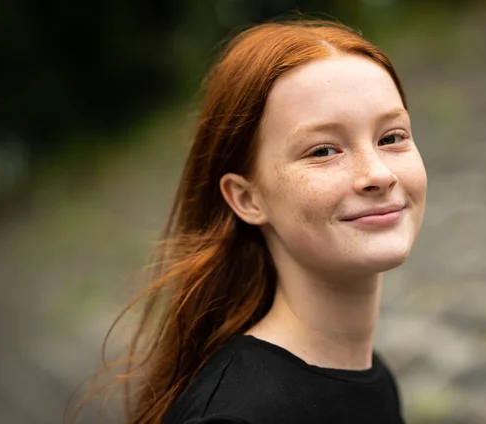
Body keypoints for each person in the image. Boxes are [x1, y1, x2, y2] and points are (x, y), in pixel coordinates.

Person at [76, 18, 427, 424]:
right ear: (247, 199)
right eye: (324, 150)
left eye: (391, 137)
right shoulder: (238, 415)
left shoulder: (372, 376)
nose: (379, 174)